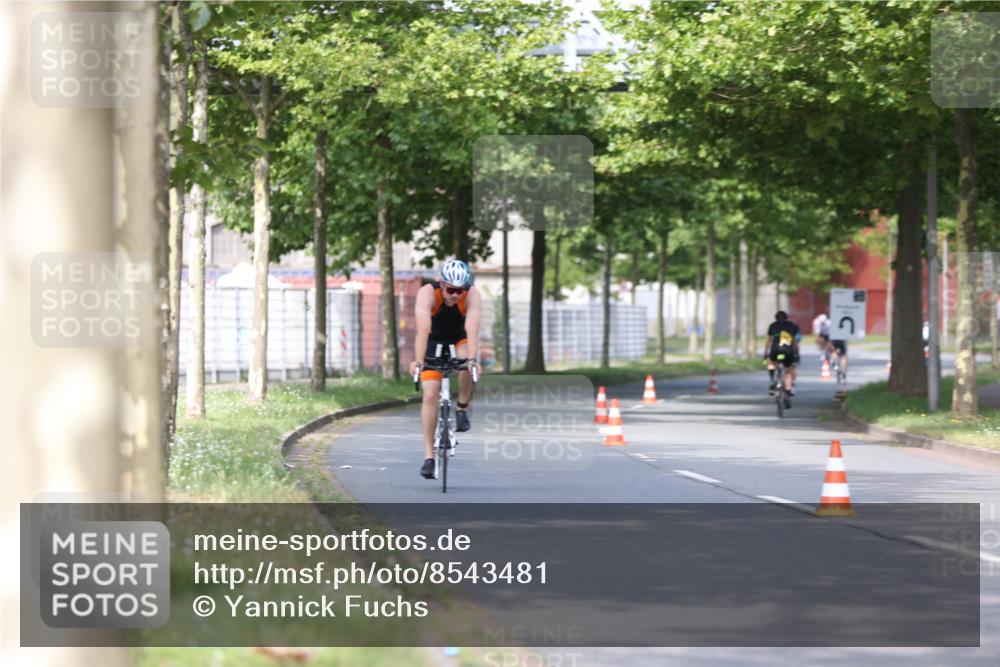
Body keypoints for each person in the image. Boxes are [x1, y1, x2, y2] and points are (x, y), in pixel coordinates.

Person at [409, 259, 482, 480]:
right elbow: (423, 329)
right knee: (430, 394)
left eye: (460, 291)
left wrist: (472, 360)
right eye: (451, 290)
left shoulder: (472, 295)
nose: (455, 295)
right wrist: (418, 361)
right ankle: (429, 457)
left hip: (458, 340)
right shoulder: (427, 293)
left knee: (466, 361)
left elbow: (472, 328)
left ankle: (461, 407)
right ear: (441, 284)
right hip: (432, 342)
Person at [764, 310, 800, 407]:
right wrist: (795, 353)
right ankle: (788, 393)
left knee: (771, 362)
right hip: (787, 351)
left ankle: (772, 380)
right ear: (787, 317)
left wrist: (765, 352)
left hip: (775, 350)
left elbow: (768, 340)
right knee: (787, 371)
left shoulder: (772, 326)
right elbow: (794, 342)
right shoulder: (792, 326)